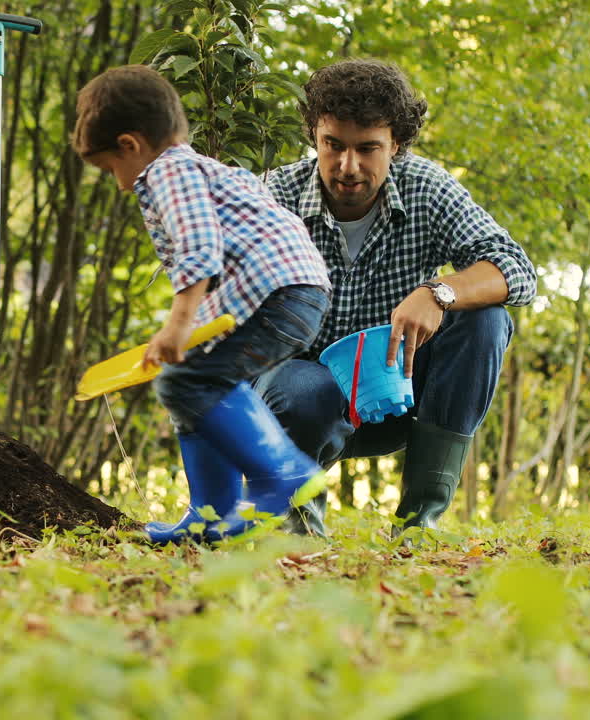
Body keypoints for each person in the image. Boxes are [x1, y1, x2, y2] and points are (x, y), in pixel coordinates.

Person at [257, 59, 537, 536]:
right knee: (304, 389)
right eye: (333, 145)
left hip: (398, 394)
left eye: (367, 149)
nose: (348, 167)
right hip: (300, 402)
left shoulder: (427, 188)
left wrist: (439, 292)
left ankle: (418, 526)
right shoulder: (273, 196)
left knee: (486, 319)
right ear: (315, 138)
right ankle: (296, 526)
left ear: (397, 147)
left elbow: (517, 270)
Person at [71, 65, 334, 542]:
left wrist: (177, 325)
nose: (119, 183)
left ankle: (283, 475)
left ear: (130, 144)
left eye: (112, 168)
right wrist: (188, 336)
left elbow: (199, 248)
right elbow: (227, 263)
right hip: (288, 292)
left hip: (279, 291)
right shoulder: (206, 170)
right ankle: (211, 518)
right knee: (187, 389)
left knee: (188, 384)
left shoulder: (168, 170)